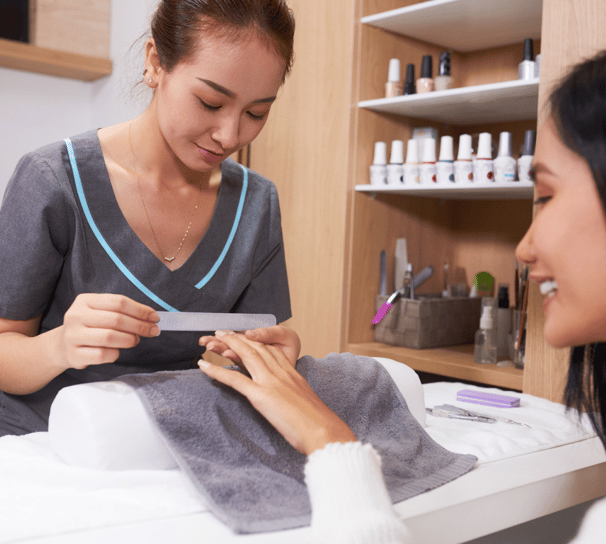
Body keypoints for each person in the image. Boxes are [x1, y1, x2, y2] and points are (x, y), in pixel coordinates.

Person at [201, 50, 606, 543]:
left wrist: (329, 440)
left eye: (545, 196)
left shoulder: (255, 198)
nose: (522, 247)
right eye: (207, 102)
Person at [0, 0, 301, 437]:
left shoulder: (256, 203)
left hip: (174, 442)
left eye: (257, 112)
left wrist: (271, 357)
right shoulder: (53, 180)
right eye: (210, 102)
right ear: (156, 62)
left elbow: (247, 352)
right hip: (48, 444)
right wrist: (58, 347)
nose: (231, 135)